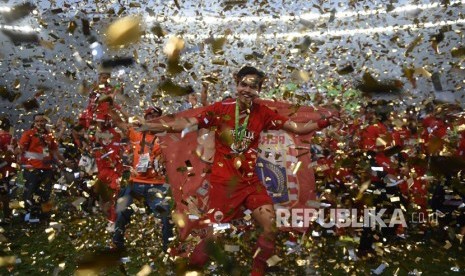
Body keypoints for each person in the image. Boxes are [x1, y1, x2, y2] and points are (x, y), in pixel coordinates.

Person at [142, 66, 333, 275]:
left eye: (253, 87)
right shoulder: (221, 109)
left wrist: (325, 121)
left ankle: (257, 272)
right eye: (244, 84)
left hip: (251, 184)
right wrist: (158, 126)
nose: (247, 90)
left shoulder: (264, 113)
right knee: (213, 237)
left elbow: (298, 128)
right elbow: (187, 123)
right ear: (236, 84)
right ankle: (190, 270)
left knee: (270, 227)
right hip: (224, 185)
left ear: (259, 90)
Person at [111, 106, 174, 251]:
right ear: (145, 119)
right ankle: (117, 244)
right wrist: (111, 105)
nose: (153, 118)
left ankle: (168, 248)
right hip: (136, 183)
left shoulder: (166, 136)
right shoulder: (137, 134)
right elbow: (118, 122)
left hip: (157, 184)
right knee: (121, 210)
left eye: (156, 116)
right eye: (150, 116)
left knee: (166, 216)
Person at [18, 113, 70, 222]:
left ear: (45, 122)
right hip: (32, 168)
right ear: (34, 122)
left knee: (46, 192)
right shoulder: (29, 134)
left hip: (47, 168)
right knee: (31, 191)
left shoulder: (49, 135)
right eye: (37, 121)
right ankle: (29, 214)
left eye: (42, 121)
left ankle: (44, 214)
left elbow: (54, 150)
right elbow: (20, 149)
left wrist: (64, 161)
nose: (40, 123)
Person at [0, 117, 16, 223]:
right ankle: (8, 215)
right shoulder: (11, 138)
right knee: (6, 194)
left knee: (3, 194)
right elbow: (15, 154)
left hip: (1, 169)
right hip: (10, 169)